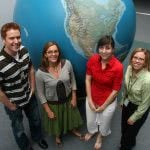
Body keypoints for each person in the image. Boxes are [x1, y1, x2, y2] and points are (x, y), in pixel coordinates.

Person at [0, 22, 48, 150]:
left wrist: (32, 88)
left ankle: (38, 138)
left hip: (29, 95)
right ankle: (26, 147)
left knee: (36, 120)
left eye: (18, 37)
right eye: (11, 38)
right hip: (13, 102)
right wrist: (10, 106)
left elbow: (31, 69)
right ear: (4, 39)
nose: (16, 41)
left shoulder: (24, 50)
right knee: (18, 128)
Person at [35, 41, 83, 147]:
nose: (53, 54)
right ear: (45, 55)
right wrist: (48, 110)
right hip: (53, 104)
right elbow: (40, 93)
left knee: (71, 118)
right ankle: (57, 136)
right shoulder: (40, 73)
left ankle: (73, 129)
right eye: (50, 52)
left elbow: (73, 80)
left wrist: (74, 97)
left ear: (58, 52)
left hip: (68, 99)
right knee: (56, 123)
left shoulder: (67, 64)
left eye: (55, 51)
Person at [84, 35, 123, 150]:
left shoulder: (118, 67)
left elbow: (116, 90)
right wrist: (90, 100)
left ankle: (100, 136)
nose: (104, 51)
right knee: (90, 120)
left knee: (105, 122)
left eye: (107, 48)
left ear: (113, 50)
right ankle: (92, 131)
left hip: (108, 101)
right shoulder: (93, 60)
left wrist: (104, 106)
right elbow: (87, 79)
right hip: (92, 96)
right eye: (101, 48)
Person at [119, 48, 150, 150]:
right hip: (128, 102)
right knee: (124, 129)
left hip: (139, 108)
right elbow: (127, 87)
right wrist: (123, 99)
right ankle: (130, 142)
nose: (137, 61)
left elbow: (145, 104)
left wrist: (134, 117)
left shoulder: (147, 81)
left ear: (145, 62)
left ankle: (125, 146)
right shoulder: (129, 68)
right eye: (135, 57)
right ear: (131, 58)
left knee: (129, 134)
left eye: (141, 59)